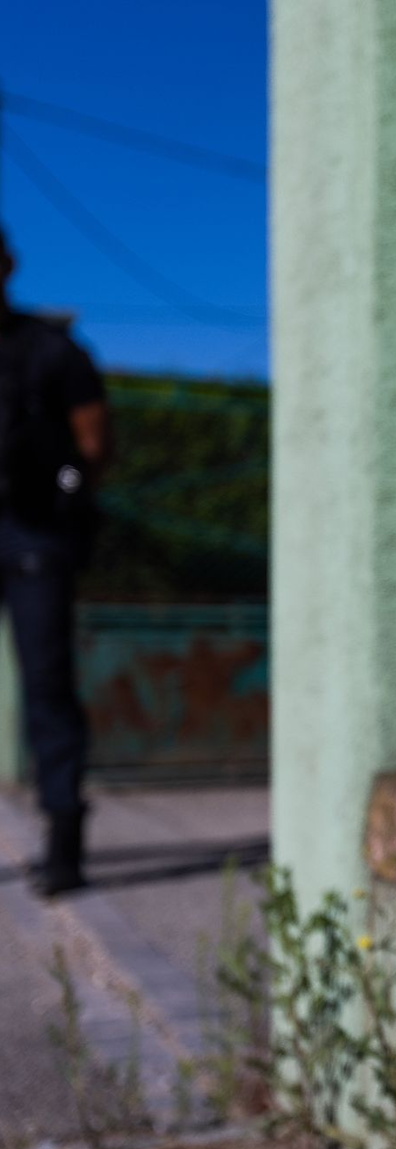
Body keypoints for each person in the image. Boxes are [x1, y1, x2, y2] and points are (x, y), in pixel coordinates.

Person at [0, 227, 111, 895]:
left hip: (32, 531)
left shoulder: (52, 351)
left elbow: (96, 443)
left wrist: (52, 485)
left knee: (46, 686)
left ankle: (64, 838)